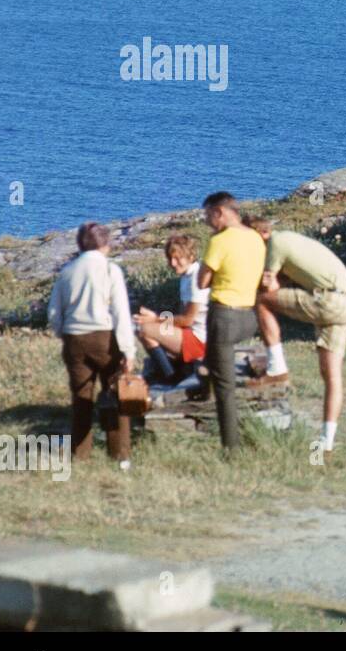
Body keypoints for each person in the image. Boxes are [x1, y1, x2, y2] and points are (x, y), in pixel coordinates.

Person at [243, 216, 346, 454]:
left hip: (329, 301)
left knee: (261, 300)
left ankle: (276, 368)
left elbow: (269, 288)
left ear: (257, 236)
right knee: (331, 376)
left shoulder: (276, 243)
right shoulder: (292, 240)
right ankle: (326, 442)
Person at [47, 222, 136, 460]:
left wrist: (63, 333)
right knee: (115, 394)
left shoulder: (67, 271)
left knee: (81, 396)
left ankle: (80, 453)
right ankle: (119, 454)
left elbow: (54, 313)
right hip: (104, 338)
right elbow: (121, 312)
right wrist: (129, 350)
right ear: (105, 244)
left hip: (74, 337)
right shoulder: (110, 270)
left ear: (80, 244)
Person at [196, 192, 266, 451]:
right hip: (249, 316)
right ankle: (202, 381)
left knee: (225, 387)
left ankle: (231, 448)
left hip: (224, 316)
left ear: (220, 213)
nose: (207, 223)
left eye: (208, 217)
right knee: (209, 366)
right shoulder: (256, 238)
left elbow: (201, 282)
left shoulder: (220, 241)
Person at [134, 234, 209, 388]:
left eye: (178, 258)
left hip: (200, 340)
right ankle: (170, 370)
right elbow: (182, 315)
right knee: (145, 328)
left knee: (145, 329)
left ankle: (170, 377)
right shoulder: (187, 276)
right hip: (191, 333)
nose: (173, 263)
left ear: (190, 256)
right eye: (170, 259)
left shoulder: (196, 279)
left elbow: (187, 319)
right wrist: (159, 319)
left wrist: (155, 319)